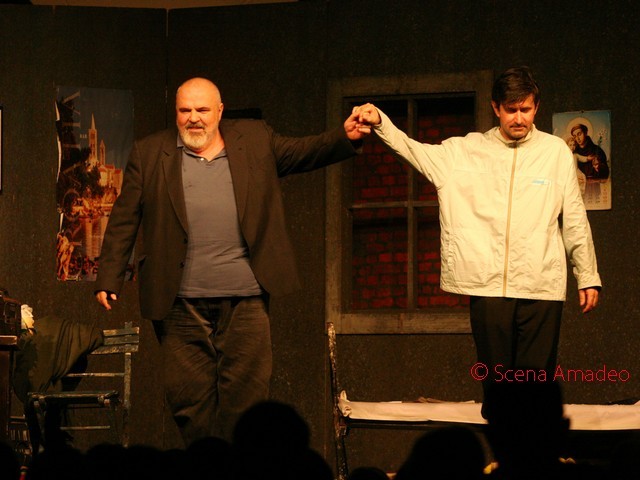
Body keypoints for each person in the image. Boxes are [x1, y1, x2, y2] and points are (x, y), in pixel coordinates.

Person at [94, 77, 364, 445]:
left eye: (202, 110)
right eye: (185, 110)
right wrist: (109, 277)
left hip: (245, 298)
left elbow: (304, 152)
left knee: (247, 398)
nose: (194, 118)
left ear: (220, 111)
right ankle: (209, 464)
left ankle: (241, 465)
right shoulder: (150, 151)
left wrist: (344, 136)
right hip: (179, 302)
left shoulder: (254, 139)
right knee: (189, 401)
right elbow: (125, 217)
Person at [353, 67, 601, 409]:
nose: (519, 118)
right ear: (496, 107)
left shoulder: (555, 152)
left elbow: (574, 215)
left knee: (535, 389)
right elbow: (413, 151)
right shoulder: (465, 151)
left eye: (525, 109)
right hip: (488, 287)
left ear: (536, 108)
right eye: (511, 110)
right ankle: (503, 443)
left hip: (542, 284)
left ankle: (533, 444)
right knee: (498, 389)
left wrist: (587, 275)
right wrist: (382, 122)